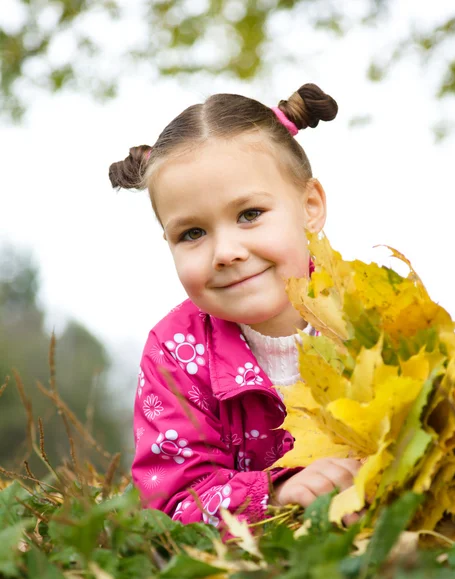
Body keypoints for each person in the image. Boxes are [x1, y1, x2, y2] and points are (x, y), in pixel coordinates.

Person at [109, 83, 360, 527]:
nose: (226, 252)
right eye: (192, 233)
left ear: (310, 205)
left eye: (249, 215)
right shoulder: (175, 353)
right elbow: (171, 496)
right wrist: (277, 493)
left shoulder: (368, 315)